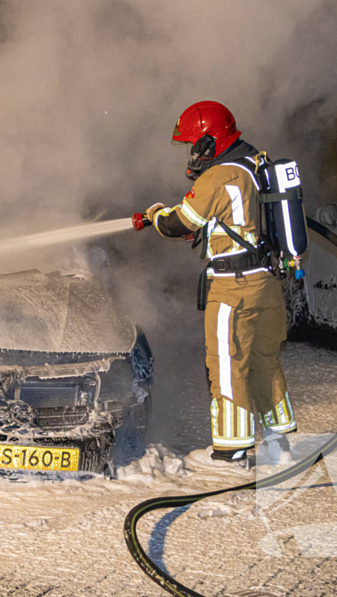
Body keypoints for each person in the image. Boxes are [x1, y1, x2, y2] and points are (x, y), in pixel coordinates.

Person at [134, 101, 296, 465]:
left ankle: (231, 447)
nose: (192, 154)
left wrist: (156, 215)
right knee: (264, 361)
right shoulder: (255, 164)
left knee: (226, 363)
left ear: (211, 141)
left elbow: (179, 222)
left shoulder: (218, 177)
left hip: (233, 288)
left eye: (194, 145)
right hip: (266, 284)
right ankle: (279, 437)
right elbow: (239, 221)